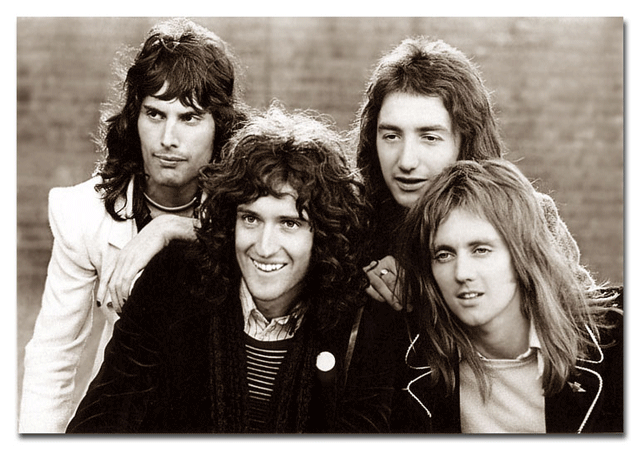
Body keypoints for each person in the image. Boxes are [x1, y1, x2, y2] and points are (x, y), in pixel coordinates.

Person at [65, 104, 404, 433]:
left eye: (289, 224)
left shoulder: (359, 316)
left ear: (323, 235)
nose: (265, 247)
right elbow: (101, 418)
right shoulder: (173, 280)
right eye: (251, 219)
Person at [20, 18, 246, 433]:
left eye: (189, 118)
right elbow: (54, 355)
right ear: (134, 117)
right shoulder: (84, 213)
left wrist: (168, 230)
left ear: (220, 126)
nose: (168, 138)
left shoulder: (249, 202)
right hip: (125, 406)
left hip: (225, 408)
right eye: (154, 114)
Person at [353, 36, 595, 310]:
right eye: (391, 136)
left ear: (466, 140)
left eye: (429, 137)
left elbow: (585, 319)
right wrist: (364, 282)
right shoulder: (354, 222)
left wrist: (431, 293)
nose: (406, 161)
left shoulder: (525, 216)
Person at [394, 159, 623, 433]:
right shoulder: (412, 367)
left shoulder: (620, 341)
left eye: (481, 250)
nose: (462, 273)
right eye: (444, 254)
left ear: (522, 254)